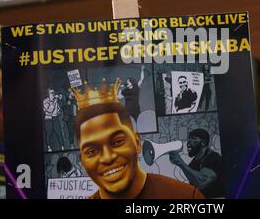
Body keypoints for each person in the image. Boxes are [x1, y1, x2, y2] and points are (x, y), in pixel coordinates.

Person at [72, 78, 205, 199]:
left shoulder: (186, 197)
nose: (107, 158)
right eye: (91, 152)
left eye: (117, 142)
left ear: (137, 142)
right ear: (83, 161)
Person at [169, 128, 224, 198]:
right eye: (189, 138)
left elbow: (202, 182)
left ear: (203, 143)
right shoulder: (193, 163)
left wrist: (180, 162)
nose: (188, 141)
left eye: (193, 138)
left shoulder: (213, 157)